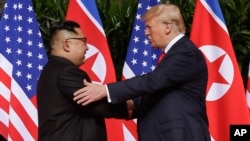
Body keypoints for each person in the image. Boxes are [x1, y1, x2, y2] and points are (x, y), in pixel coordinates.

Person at [73, 3, 211, 141]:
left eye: (149, 27)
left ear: (167, 27)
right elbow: (159, 90)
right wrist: (130, 105)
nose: (145, 32)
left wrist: (105, 90)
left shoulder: (185, 53)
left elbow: (152, 81)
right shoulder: (174, 54)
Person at [37, 20, 132, 141]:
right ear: (67, 44)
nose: (87, 47)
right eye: (83, 41)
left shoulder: (52, 69)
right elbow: (97, 105)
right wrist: (132, 106)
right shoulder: (66, 72)